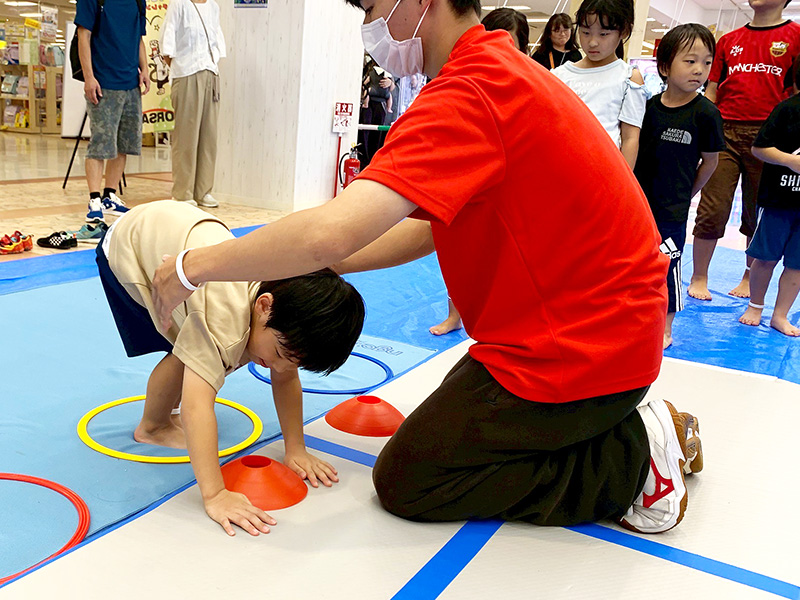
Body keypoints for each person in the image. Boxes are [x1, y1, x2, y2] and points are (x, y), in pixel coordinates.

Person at [152, 0, 704, 535]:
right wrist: (319, 262)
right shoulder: (494, 69)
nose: (368, 28)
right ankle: (630, 429)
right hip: (587, 331)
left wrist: (190, 267)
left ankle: (633, 462)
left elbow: (329, 232)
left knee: (408, 481)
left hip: (581, 350)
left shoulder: (470, 91)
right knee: (449, 436)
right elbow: (427, 227)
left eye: (369, 10)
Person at [96, 200, 365, 536]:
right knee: (195, 351)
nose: (280, 367)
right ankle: (153, 427)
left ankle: (157, 419)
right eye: (281, 352)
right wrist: (215, 493)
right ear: (264, 307)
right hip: (128, 247)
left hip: (172, 226)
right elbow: (197, 404)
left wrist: (295, 447)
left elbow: (285, 376)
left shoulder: (283, 294)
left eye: (293, 361)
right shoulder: (223, 325)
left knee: (200, 346)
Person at [687, 0, 800, 301]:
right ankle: (699, 275)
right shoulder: (729, 40)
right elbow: (712, 89)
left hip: (769, 137)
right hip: (725, 131)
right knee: (712, 207)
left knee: (757, 211)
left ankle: (749, 276)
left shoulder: (795, 36)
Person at [634, 24, 725, 349]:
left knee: (667, 266)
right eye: (690, 61)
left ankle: (665, 327)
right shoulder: (647, 108)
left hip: (672, 210)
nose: (699, 70)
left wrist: (688, 193)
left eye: (706, 62)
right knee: (634, 264)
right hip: (638, 205)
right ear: (664, 66)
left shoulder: (706, 114)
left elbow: (710, 162)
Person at [739, 55, 800, 336]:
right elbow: (759, 148)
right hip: (778, 201)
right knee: (765, 257)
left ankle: (780, 314)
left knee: (797, 265)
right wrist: (790, 160)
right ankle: (755, 304)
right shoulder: (787, 110)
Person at [75, 0, 148, 223]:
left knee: (123, 143)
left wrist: (144, 69)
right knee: (100, 142)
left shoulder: (138, 1)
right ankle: (94, 198)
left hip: (131, 83)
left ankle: (110, 195)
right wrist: (89, 77)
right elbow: (83, 35)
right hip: (103, 82)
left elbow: (139, 39)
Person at [552, 0, 646, 169]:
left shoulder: (629, 77)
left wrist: (624, 185)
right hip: (562, 166)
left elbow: (631, 137)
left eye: (603, 34)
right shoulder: (560, 75)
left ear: (623, 31)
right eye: (586, 32)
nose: (592, 42)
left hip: (603, 170)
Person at [161, 0, 227, 208]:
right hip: (187, 74)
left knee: (209, 136)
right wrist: (180, 68)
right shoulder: (179, 4)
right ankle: (183, 192)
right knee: (186, 136)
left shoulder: (214, 7)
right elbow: (167, 44)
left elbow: (216, 41)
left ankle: (203, 191)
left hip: (211, 73)